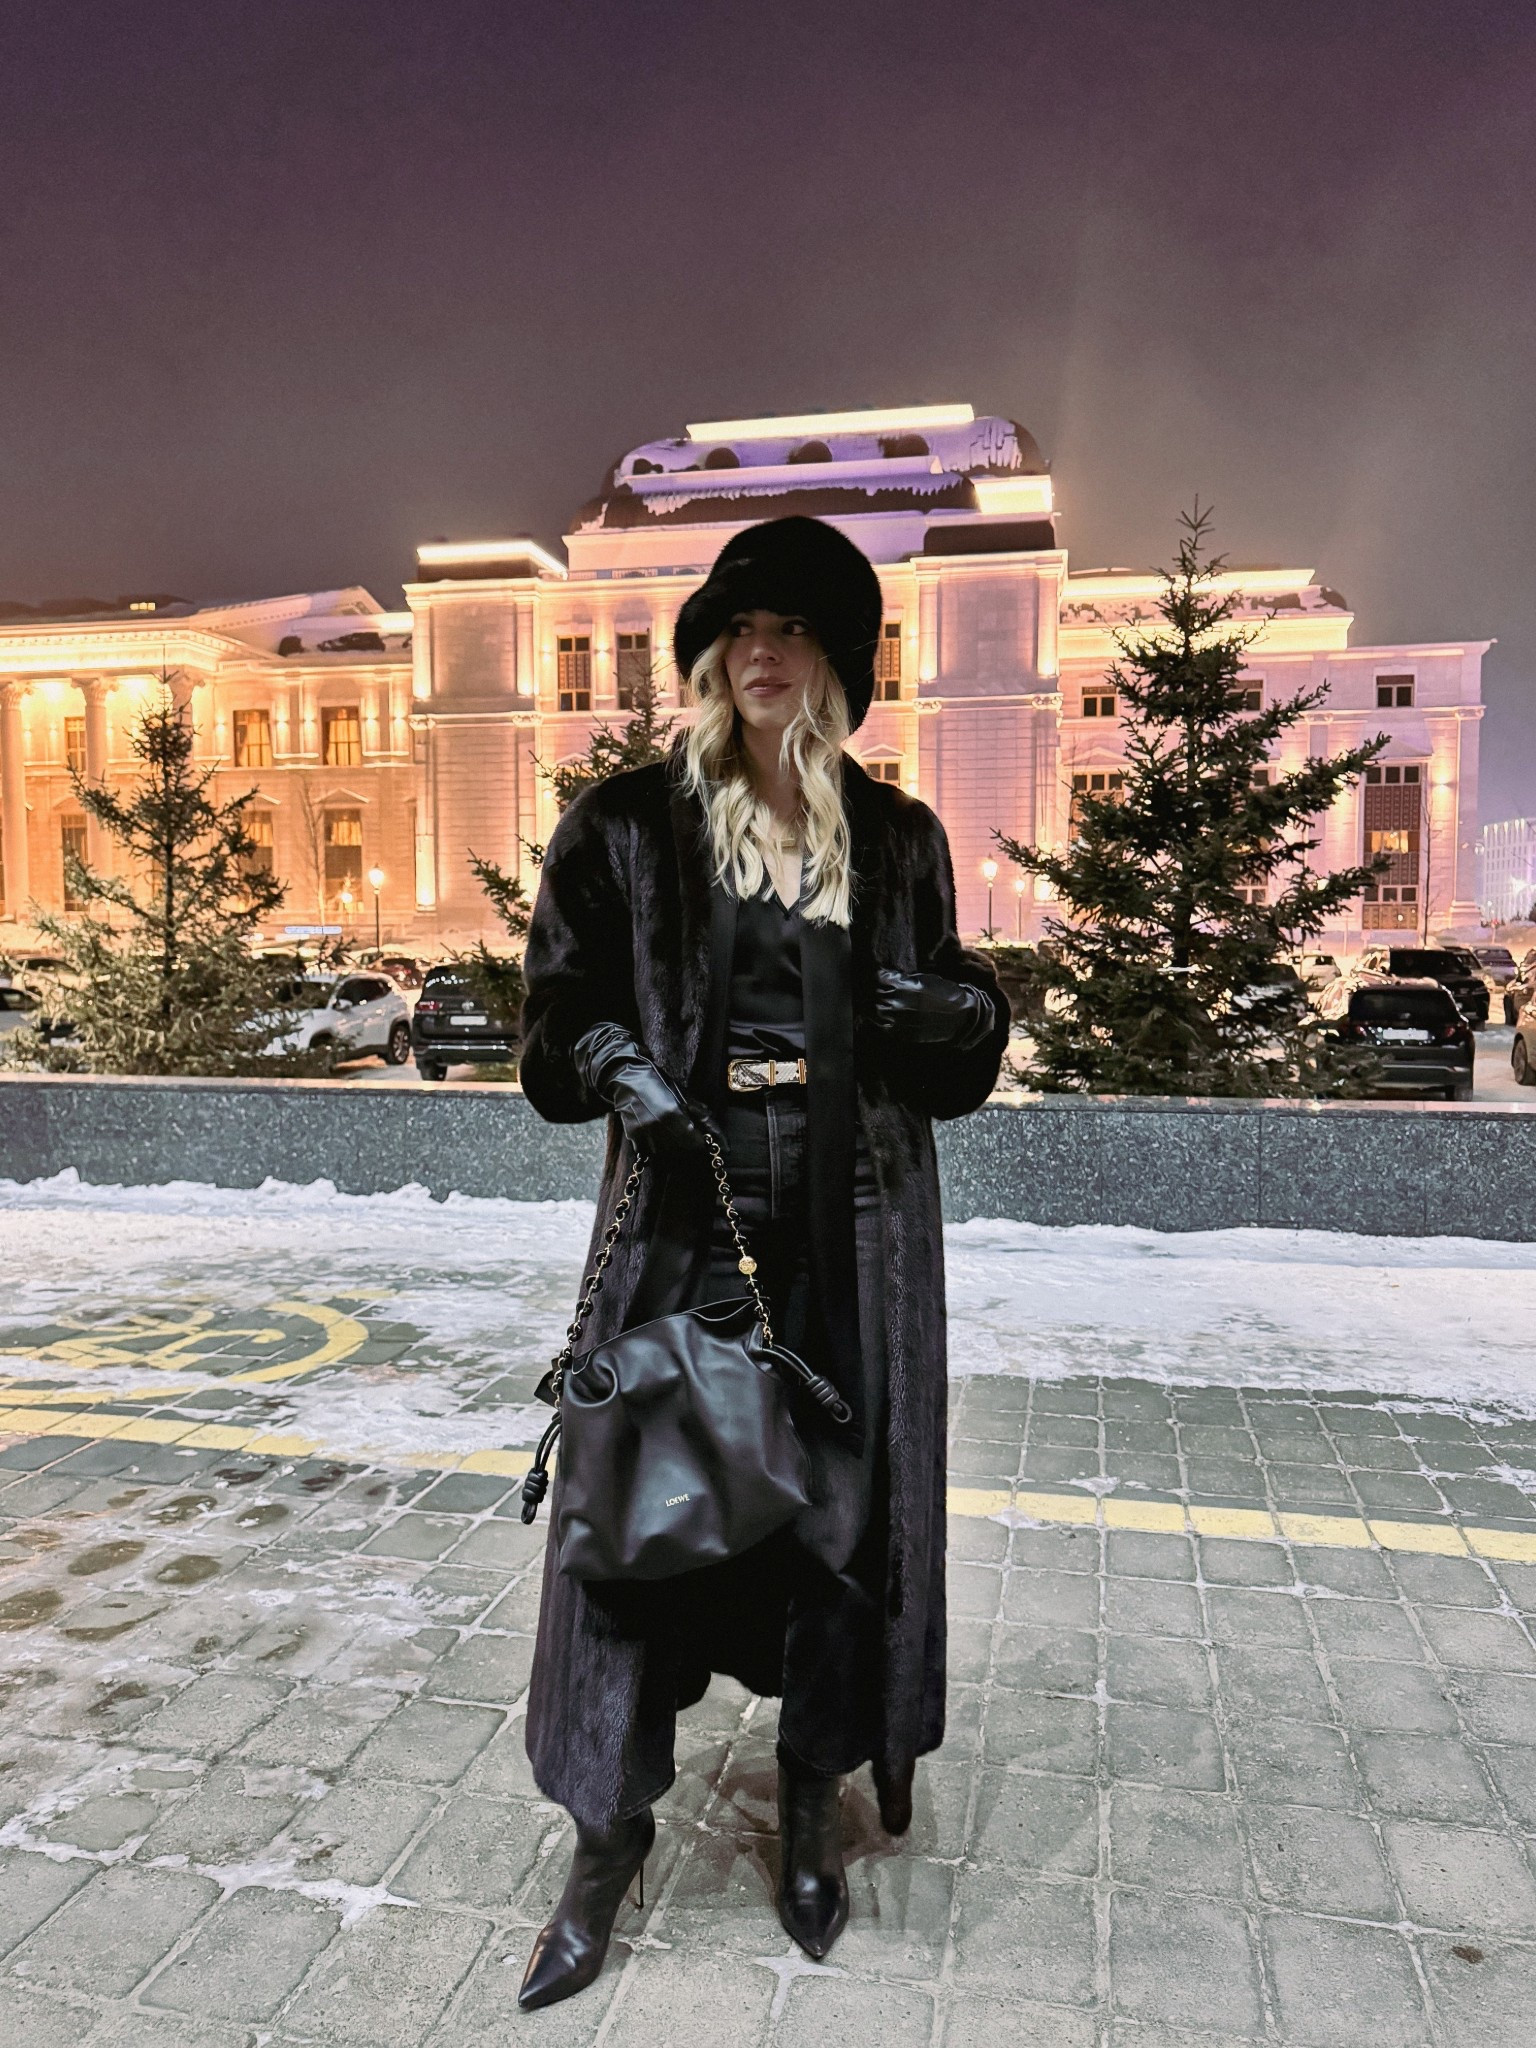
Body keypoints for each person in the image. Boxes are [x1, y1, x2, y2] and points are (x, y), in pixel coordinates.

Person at [515, 514, 1009, 2009]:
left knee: (839, 1518)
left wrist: (967, 1020)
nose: (760, 653)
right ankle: (605, 1836)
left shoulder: (897, 838)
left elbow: (954, 1030)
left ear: (838, 665)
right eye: (738, 630)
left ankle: (811, 1802)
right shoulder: (626, 827)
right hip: (689, 1203)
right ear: (708, 658)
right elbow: (554, 1017)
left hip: (855, 1210)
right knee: (637, 1500)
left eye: (790, 630)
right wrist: (614, 1060)